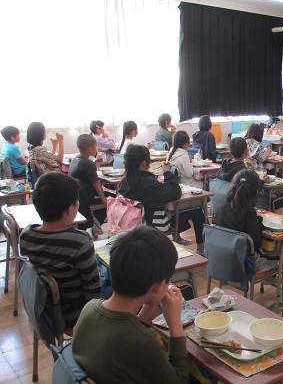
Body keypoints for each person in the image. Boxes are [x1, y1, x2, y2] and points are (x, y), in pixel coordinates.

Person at [72, 226, 189, 384]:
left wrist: (144, 315)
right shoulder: (144, 342)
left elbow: (122, 344)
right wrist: (175, 325)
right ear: (158, 286)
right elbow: (180, 381)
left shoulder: (90, 308)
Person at [19, 172, 101, 329]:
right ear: (71, 209)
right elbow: (93, 289)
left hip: (44, 309)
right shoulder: (79, 241)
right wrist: (92, 320)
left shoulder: (26, 235)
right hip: (74, 315)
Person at [214, 169, 283, 295]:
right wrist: (258, 223)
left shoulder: (221, 207)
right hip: (244, 264)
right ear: (256, 192)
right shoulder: (248, 213)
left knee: (272, 247)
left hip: (222, 259)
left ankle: (271, 278)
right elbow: (256, 243)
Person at [119, 144, 205, 253]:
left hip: (132, 222)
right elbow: (175, 192)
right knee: (197, 210)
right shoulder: (148, 184)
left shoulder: (125, 182)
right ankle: (201, 249)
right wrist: (167, 172)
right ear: (144, 163)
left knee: (173, 209)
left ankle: (178, 238)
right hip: (152, 223)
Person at [68, 134, 108, 232]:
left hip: (77, 196)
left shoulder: (75, 160)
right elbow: (97, 183)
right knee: (112, 199)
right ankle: (95, 223)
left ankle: (93, 221)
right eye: (95, 146)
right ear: (90, 149)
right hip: (87, 196)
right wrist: (104, 200)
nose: (96, 148)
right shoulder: (88, 164)